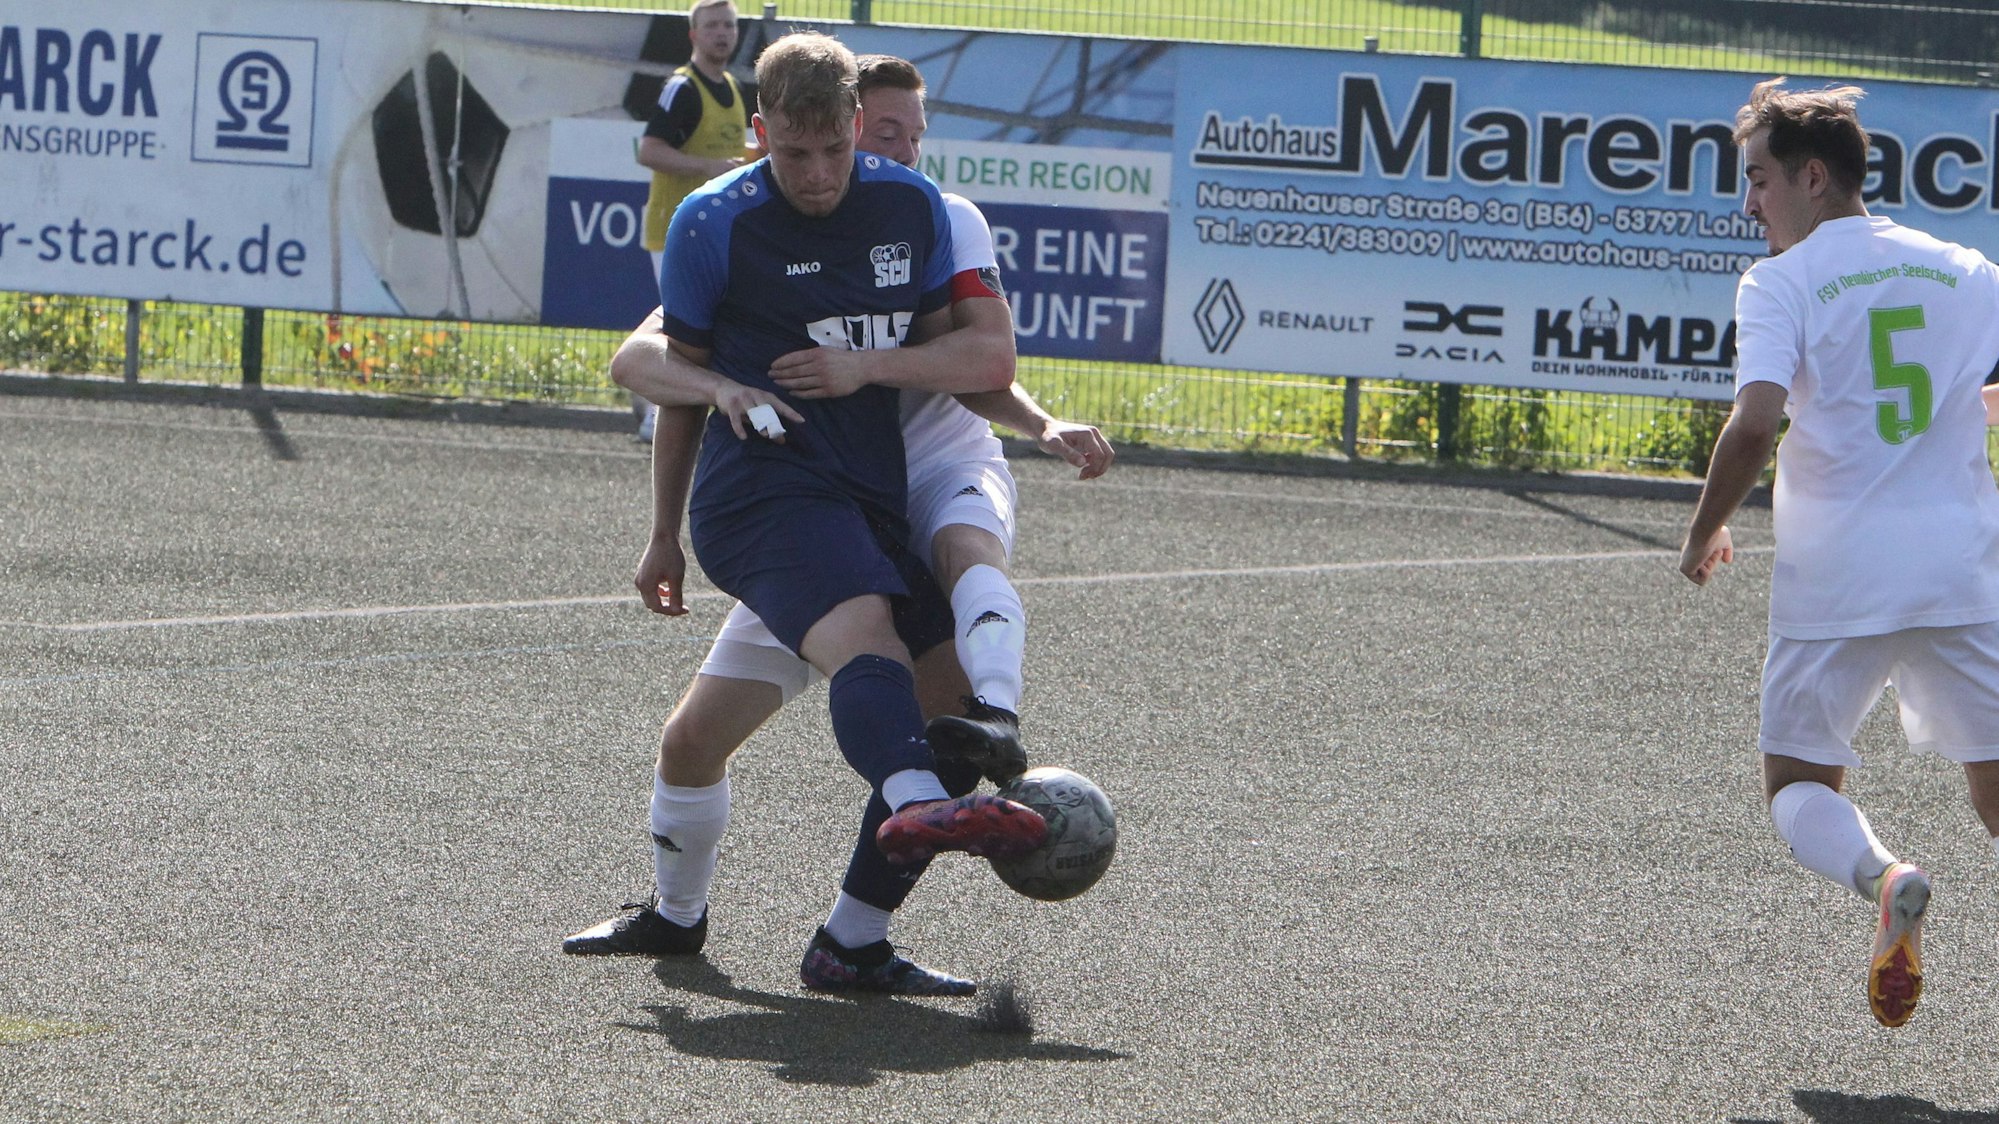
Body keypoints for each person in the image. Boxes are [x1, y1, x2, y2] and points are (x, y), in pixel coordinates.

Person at [564, 54, 1114, 983]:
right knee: (875, 650)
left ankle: (845, 941)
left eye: (832, 149)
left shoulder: (917, 211)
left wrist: (1030, 419)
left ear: (858, 126)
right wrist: (664, 529)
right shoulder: (715, 222)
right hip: (767, 501)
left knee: (916, 726)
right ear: (759, 136)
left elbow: (977, 358)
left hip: (868, 507)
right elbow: (659, 371)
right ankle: (903, 809)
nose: (815, 174)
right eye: (791, 154)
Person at [1679, 77, 1999, 1029]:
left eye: (1758, 179)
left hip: (1837, 577)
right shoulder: (1962, 268)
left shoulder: (1780, 280)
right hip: (1960, 571)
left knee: (1794, 786)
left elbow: (1754, 425)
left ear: (1812, 177)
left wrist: (1700, 531)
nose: (1748, 205)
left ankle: (1886, 876)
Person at [630, 0, 759, 443]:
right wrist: (709, 167)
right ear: (693, 36)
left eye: (729, 25)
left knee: (705, 328)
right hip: (672, 230)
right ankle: (654, 417)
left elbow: (724, 155)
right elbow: (649, 150)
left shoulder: (729, 85)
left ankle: (671, 410)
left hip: (711, 233)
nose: (722, 33)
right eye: (712, 26)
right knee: (677, 330)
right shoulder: (681, 87)